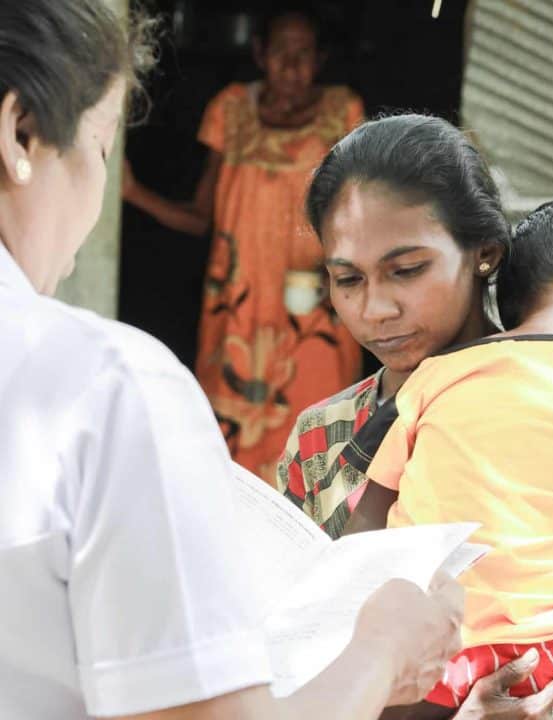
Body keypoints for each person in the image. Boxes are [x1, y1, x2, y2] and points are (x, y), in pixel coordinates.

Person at [0, 4, 475, 719]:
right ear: (20, 134)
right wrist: (382, 648)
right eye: (102, 148)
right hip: (239, 317)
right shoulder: (107, 391)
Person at [278, 115, 553, 719]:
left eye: (407, 269)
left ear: (484, 255)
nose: (375, 308)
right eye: (347, 279)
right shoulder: (320, 444)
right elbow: (293, 660)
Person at [122, 5, 363, 481]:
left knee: (316, 449)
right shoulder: (230, 109)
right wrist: (132, 194)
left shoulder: (343, 113)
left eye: (304, 54)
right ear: (258, 54)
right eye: (279, 53)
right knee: (230, 471)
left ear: (321, 59)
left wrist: (344, 272)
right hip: (236, 322)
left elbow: (363, 217)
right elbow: (201, 218)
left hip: (313, 316)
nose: (291, 66)